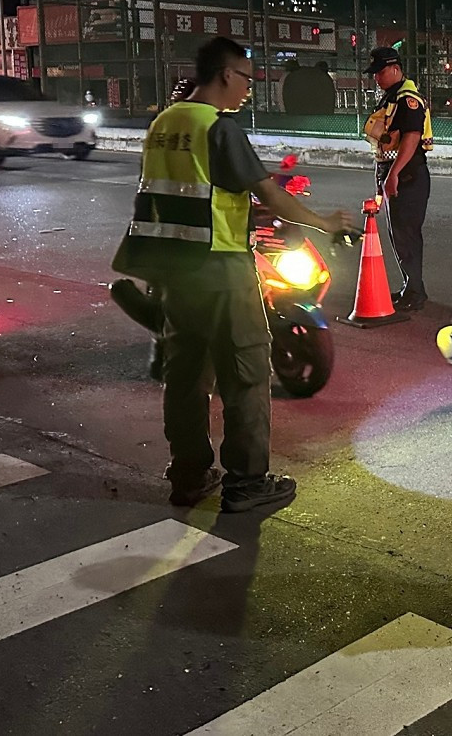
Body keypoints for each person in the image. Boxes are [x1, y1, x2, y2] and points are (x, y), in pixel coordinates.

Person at [112, 36, 354, 511]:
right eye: (246, 77)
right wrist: (326, 222)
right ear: (225, 74)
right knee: (245, 374)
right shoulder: (218, 129)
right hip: (222, 267)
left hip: (175, 273)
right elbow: (269, 195)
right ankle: (246, 484)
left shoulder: (163, 124)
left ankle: (189, 475)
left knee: (185, 377)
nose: (249, 87)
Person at [362, 46, 433, 311]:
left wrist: (393, 175)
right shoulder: (391, 98)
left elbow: (412, 138)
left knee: (407, 235)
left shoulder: (407, 99)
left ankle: (415, 292)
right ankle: (410, 287)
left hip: (408, 176)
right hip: (396, 175)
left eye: (380, 72)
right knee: (400, 235)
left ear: (395, 68)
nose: (376, 78)